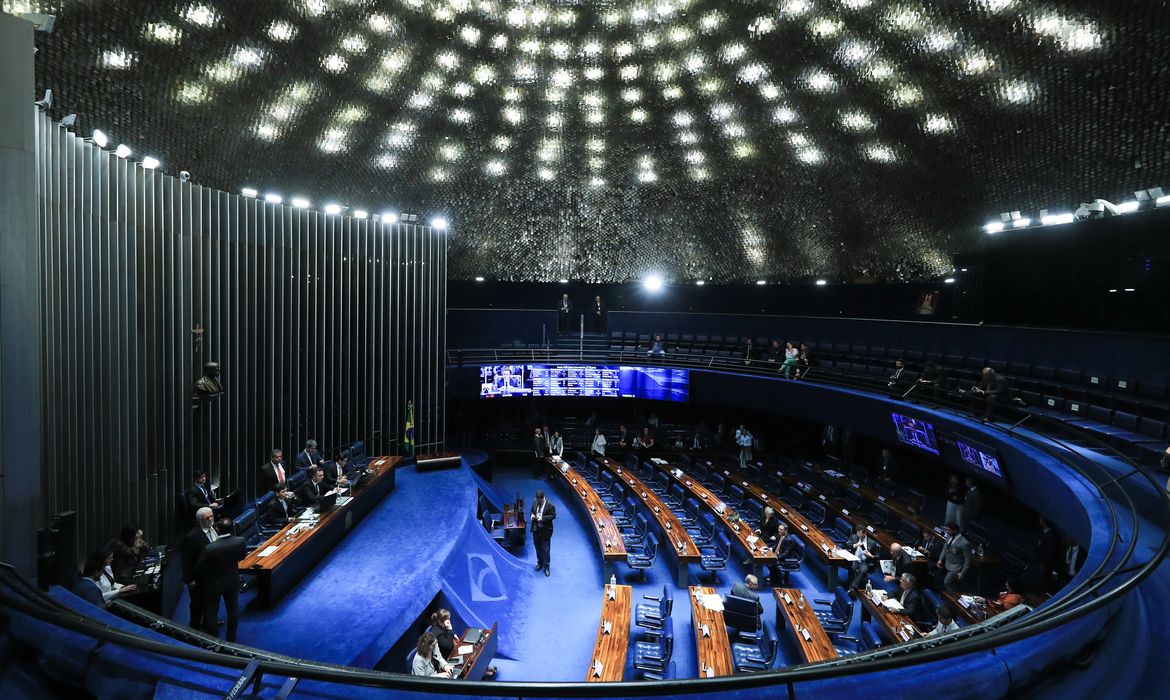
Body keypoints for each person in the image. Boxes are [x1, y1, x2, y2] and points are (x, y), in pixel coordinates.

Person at [194, 518, 245, 642]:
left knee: (212, 613)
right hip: (232, 581)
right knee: (232, 610)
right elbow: (242, 556)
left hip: (213, 584)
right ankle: (231, 638)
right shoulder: (240, 541)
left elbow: (198, 569)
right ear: (232, 528)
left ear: (218, 529)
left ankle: (215, 641)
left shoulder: (209, 548)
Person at [180, 507, 218, 630]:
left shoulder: (215, 528)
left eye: (212, 516)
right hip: (199, 579)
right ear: (199, 520)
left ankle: (209, 622)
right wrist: (189, 580)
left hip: (213, 576)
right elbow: (186, 561)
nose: (211, 519)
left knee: (212, 603)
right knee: (198, 605)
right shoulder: (191, 537)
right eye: (207, 518)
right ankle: (194, 627)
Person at [936, 521, 972, 592]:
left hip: (956, 567)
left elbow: (968, 560)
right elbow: (945, 548)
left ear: (955, 530)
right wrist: (940, 559)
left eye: (949, 530)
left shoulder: (965, 543)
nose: (947, 531)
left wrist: (962, 572)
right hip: (947, 564)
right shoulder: (949, 536)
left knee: (947, 582)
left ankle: (954, 597)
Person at [530, 489, 556, 576]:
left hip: (545, 530)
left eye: (539, 500)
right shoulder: (535, 502)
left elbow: (553, 515)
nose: (538, 501)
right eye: (537, 499)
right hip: (536, 529)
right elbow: (531, 511)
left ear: (542, 498)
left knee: (545, 549)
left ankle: (547, 567)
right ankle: (540, 563)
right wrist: (532, 515)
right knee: (537, 547)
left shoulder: (550, 505)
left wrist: (543, 518)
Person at [847, 524, 879, 589]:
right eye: (857, 533)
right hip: (854, 558)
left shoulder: (872, 542)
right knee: (852, 568)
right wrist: (854, 545)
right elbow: (847, 545)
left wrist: (871, 556)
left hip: (864, 561)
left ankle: (852, 587)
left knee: (863, 570)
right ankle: (851, 587)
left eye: (860, 534)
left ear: (865, 533)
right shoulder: (854, 537)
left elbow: (878, 555)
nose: (858, 535)